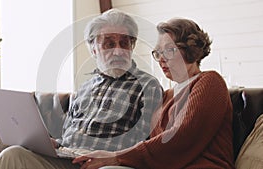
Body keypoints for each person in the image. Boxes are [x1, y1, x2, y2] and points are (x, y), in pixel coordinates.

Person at [0, 9, 163, 169]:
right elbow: (70, 134)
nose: (118, 51)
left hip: (105, 163)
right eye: (109, 43)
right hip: (68, 160)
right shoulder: (85, 87)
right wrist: (54, 143)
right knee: (14, 154)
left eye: (124, 43)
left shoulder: (148, 85)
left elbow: (150, 143)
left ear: (132, 46)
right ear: (93, 49)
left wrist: (113, 158)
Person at [73, 18, 235, 169]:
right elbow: (152, 144)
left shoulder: (210, 82)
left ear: (190, 50)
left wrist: (116, 157)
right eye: (158, 52)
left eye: (169, 50)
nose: (161, 59)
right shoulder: (166, 97)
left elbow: (181, 138)